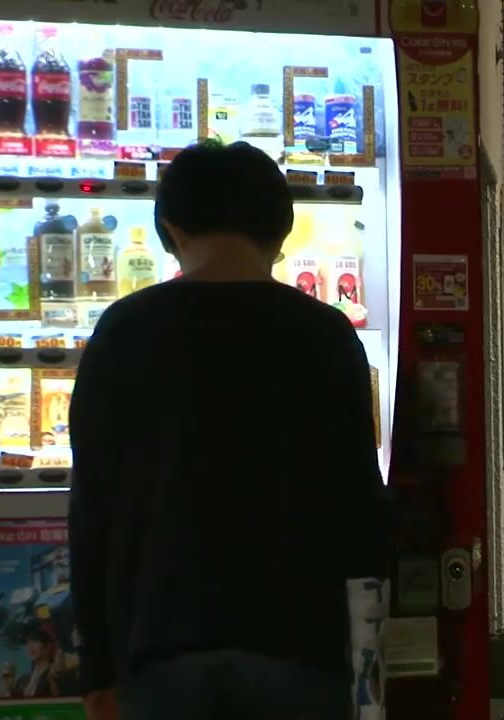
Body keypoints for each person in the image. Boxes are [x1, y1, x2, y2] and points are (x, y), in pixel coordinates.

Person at [69, 142, 390, 720]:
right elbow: (359, 503)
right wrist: (367, 662)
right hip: (301, 645)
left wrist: (97, 668)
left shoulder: (124, 329)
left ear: (171, 229)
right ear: (280, 229)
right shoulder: (324, 332)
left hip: (160, 642)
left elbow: (92, 509)